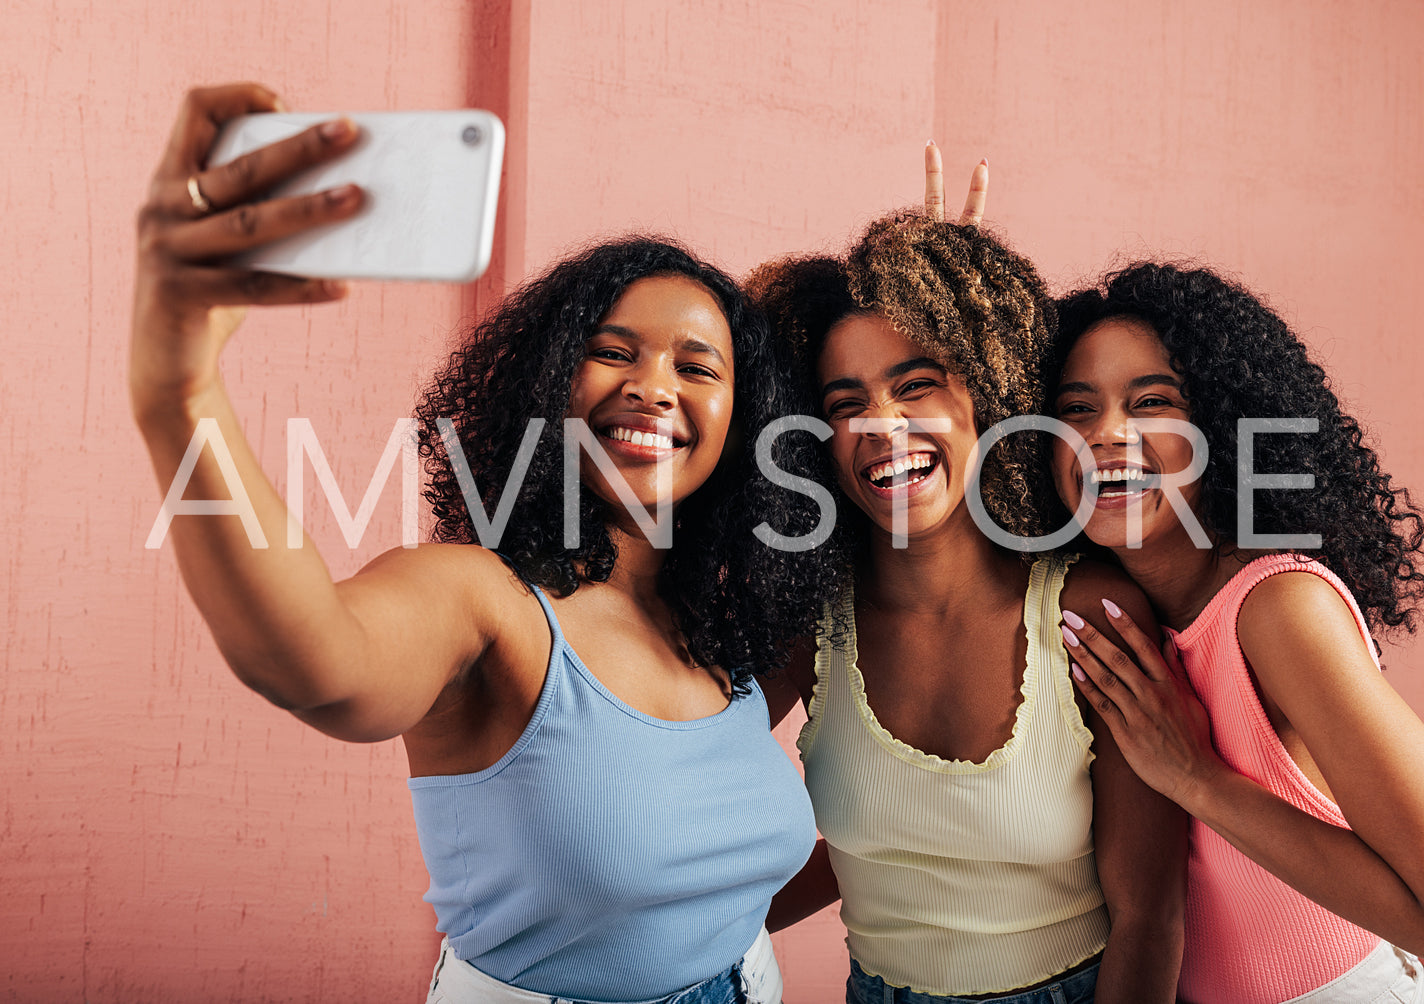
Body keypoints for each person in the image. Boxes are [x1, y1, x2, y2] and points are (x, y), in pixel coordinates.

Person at [131, 83, 841, 1004]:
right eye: (613, 350)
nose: (654, 387)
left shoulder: (727, 633)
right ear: (547, 384)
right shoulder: (484, 603)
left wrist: (922, 330)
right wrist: (179, 391)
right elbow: (310, 659)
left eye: (696, 366)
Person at [750, 149, 1187, 1004]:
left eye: (917, 384)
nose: (881, 424)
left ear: (988, 392)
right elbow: (680, 753)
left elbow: (1150, 919)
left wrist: (957, 298)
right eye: (845, 403)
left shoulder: (1087, 610)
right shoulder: (814, 618)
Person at [1048, 262, 1424, 1001]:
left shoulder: (1276, 605)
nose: (1105, 434)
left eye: (1153, 401)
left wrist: (1196, 778)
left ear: (1220, 430)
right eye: (1074, 407)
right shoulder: (1119, 610)